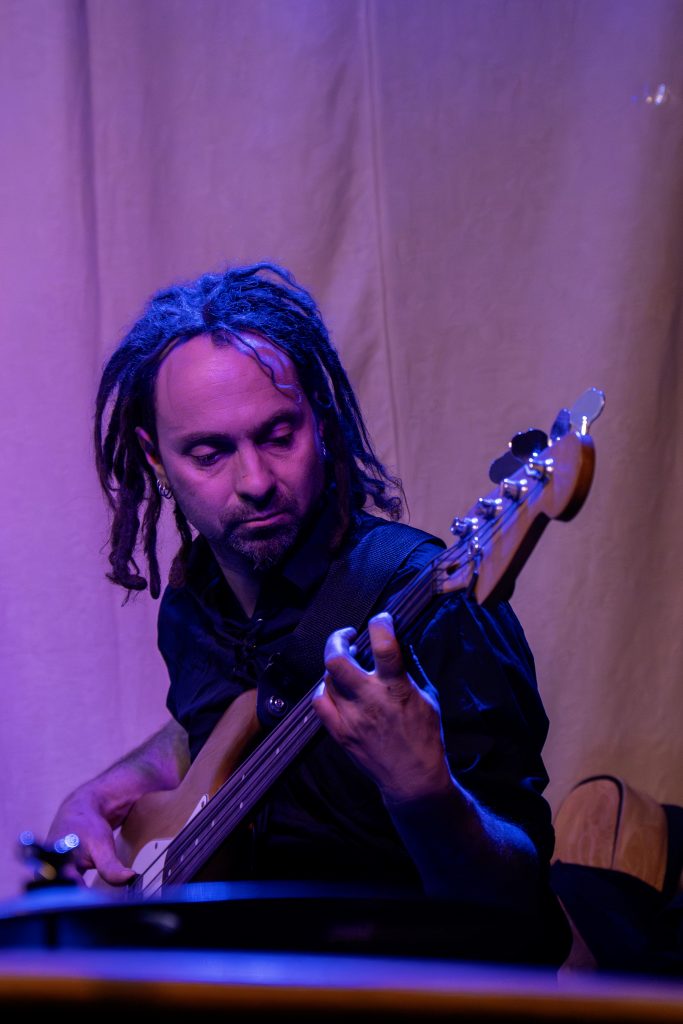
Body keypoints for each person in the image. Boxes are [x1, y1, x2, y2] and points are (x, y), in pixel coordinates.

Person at [47, 261, 570, 964]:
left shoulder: (430, 607)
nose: (255, 481)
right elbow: (216, 719)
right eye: (209, 452)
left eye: (277, 435)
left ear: (320, 421)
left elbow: (522, 922)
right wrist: (114, 786)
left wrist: (427, 793)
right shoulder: (193, 607)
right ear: (157, 460)